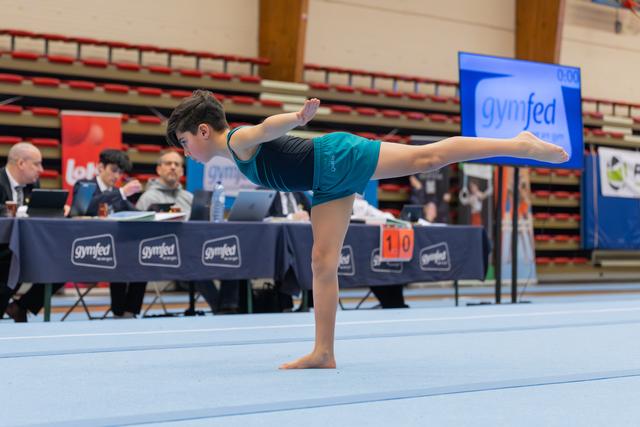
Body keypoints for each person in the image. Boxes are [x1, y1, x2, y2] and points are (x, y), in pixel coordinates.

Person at [166, 89, 568, 369]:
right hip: (324, 182)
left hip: (336, 157)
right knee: (322, 262)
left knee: (429, 158)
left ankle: (518, 144)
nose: (186, 152)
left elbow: (266, 128)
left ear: (204, 130)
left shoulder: (237, 141)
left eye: (184, 142)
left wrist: (296, 118)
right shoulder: (236, 154)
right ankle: (324, 352)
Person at [70, 149, 146, 319]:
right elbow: (84, 207)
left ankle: (128, 312)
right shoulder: (85, 186)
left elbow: (137, 213)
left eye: (120, 172)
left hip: (114, 250)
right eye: (113, 170)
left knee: (141, 259)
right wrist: (121, 193)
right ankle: (119, 311)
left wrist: (157, 213)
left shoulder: (119, 194)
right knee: (119, 258)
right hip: (86, 249)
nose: (116, 175)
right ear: (100, 168)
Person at [0, 143, 66, 322]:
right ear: (21, 163)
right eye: (36, 164)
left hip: (25, 246)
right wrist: (18, 211)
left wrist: (56, 210)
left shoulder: (33, 184)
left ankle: (21, 307)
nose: (41, 170)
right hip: (4, 249)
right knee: (11, 264)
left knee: (61, 265)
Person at [135, 150, 193, 215]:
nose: (173, 167)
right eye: (168, 163)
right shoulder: (147, 198)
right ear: (158, 169)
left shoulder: (190, 198)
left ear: (182, 171)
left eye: (177, 164)